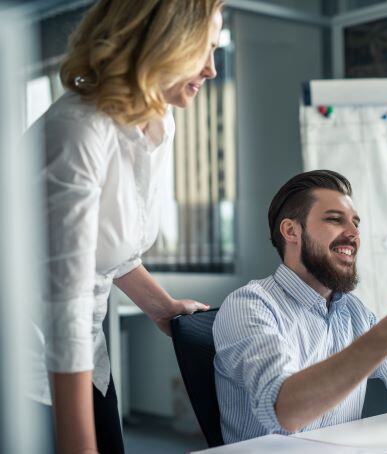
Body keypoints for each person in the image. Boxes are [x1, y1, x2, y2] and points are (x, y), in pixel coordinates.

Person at [24, 1, 224, 452]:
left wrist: (163, 307)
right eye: (203, 49)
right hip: (31, 356)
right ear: (162, 42)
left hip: (84, 351)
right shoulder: (77, 131)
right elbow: (66, 298)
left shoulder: (156, 126)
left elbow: (111, 248)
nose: (212, 69)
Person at [213, 170, 387, 444]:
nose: (353, 234)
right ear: (291, 231)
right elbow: (285, 411)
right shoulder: (249, 305)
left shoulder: (354, 312)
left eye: (355, 223)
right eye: (335, 220)